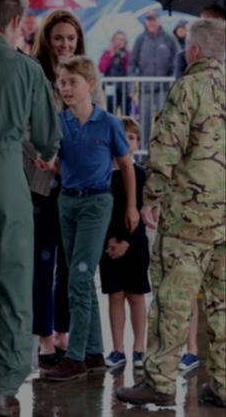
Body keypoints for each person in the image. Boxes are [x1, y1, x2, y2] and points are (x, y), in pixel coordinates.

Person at [117, 17, 225, 409]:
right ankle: (224, 385)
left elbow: (165, 149)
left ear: (194, 51)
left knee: (173, 301)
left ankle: (160, 383)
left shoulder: (189, 86)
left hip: (189, 220)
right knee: (221, 303)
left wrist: (151, 200)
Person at [42, 56, 138, 382]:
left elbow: (126, 166)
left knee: (79, 280)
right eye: (63, 82)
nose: (66, 88)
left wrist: (132, 207)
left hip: (97, 203)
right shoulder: (60, 122)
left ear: (91, 86)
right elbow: (54, 157)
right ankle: (95, 352)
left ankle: (76, 356)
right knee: (78, 277)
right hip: (68, 203)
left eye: (73, 82)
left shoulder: (109, 123)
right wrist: (49, 162)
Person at [0, 0, 61, 416]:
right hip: (10, 181)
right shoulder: (27, 68)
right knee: (14, 282)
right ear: (16, 21)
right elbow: (47, 138)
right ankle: (7, 386)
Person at [29, 9, 90, 365]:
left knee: (70, 263)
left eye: (71, 38)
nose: (65, 44)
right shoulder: (37, 75)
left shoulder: (85, 75)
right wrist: (47, 155)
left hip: (77, 183)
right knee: (44, 261)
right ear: (47, 41)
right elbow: (26, 126)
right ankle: (45, 336)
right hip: (44, 183)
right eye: (59, 38)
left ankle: (65, 330)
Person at [99, 116, 149, 369]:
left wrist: (126, 242)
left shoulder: (141, 175)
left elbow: (141, 211)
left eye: (131, 138)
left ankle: (139, 347)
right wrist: (109, 241)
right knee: (115, 296)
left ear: (137, 143)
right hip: (108, 244)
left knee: (136, 296)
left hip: (134, 245)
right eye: (122, 136)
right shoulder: (104, 175)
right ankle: (117, 349)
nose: (126, 141)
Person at [128, 9, 179, 148]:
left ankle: (164, 151)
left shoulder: (169, 38)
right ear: (146, 22)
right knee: (144, 122)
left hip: (164, 89)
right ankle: (144, 154)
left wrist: (172, 81)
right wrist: (132, 86)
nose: (152, 23)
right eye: (149, 20)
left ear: (159, 21)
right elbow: (132, 64)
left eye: (154, 19)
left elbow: (177, 60)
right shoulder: (140, 39)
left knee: (165, 121)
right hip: (146, 89)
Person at [98, 31, 132, 115]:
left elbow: (130, 69)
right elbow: (102, 68)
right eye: (117, 39)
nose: (119, 42)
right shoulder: (106, 54)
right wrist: (111, 55)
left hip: (124, 89)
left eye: (121, 40)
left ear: (125, 42)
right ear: (113, 41)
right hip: (110, 88)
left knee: (126, 113)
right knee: (111, 113)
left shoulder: (128, 55)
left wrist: (124, 57)